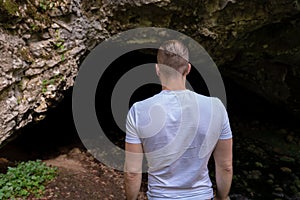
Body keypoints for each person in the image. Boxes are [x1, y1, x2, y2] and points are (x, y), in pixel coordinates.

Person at [124, 40, 233, 200]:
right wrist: (223, 197)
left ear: (157, 69)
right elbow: (225, 166)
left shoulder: (138, 110)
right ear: (188, 68)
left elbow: (132, 172)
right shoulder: (216, 107)